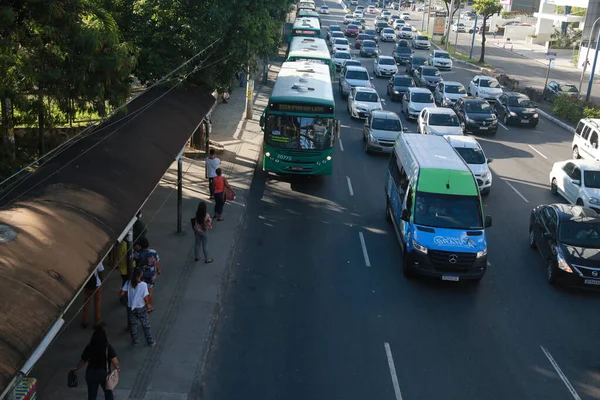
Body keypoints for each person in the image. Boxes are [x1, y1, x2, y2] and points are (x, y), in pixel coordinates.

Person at [73, 325, 120, 400]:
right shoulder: (107, 347)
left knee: (92, 394)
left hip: (90, 373)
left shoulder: (90, 346)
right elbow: (115, 361)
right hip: (103, 373)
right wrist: (117, 368)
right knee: (108, 393)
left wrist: (76, 368)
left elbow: (83, 360)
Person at [121, 267, 157, 347]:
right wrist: (148, 304)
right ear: (140, 275)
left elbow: (122, 293)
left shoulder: (128, 282)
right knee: (146, 325)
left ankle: (135, 341)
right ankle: (150, 341)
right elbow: (145, 297)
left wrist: (127, 300)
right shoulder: (143, 285)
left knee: (133, 325)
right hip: (141, 307)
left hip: (131, 307)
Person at [134, 237, 161, 312]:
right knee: (150, 291)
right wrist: (159, 269)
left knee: (142, 291)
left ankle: (143, 305)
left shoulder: (138, 254)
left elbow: (132, 260)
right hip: (152, 274)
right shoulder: (153, 252)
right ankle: (149, 306)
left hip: (141, 275)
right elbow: (157, 262)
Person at [82, 263, 105, 329]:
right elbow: (101, 271)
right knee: (97, 303)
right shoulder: (97, 260)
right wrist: (101, 280)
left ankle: (85, 321)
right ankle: (97, 322)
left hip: (87, 285)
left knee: (86, 303)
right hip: (96, 284)